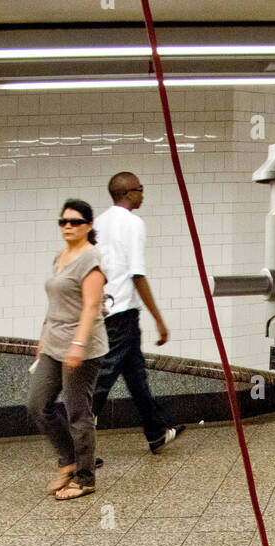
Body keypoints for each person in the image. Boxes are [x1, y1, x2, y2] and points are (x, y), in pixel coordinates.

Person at [93, 172, 184, 455]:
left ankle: (156, 433)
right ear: (129, 193)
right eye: (141, 190)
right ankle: (75, 443)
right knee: (102, 379)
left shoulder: (98, 222)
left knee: (135, 375)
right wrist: (159, 319)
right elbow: (137, 275)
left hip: (108, 308)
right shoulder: (133, 223)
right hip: (122, 312)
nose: (143, 195)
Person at [28, 198, 107, 501]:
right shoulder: (60, 256)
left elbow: (91, 306)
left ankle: (85, 479)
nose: (68, 227)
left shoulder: (91, 259)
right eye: (63, 222)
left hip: (82, 347)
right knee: (37, 405)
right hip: (53, 343)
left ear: (88, 226)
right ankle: (68, 459)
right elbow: (55, 304)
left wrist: (77, 345)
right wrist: (42, 338)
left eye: (75, 222)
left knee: (78, 413)